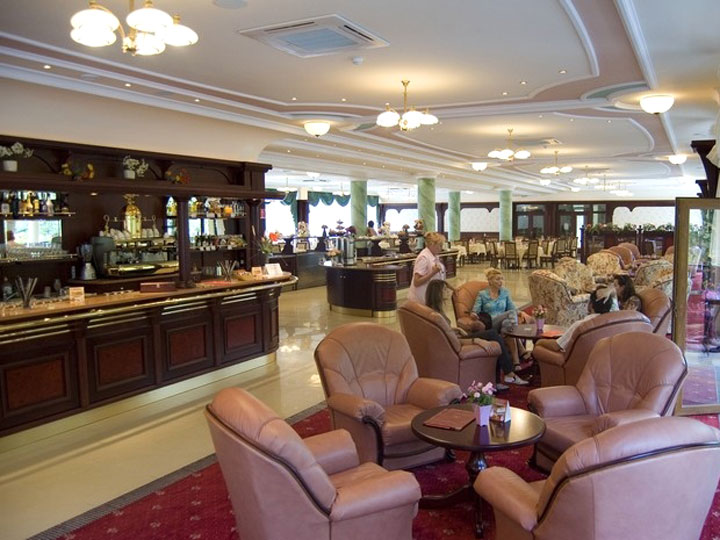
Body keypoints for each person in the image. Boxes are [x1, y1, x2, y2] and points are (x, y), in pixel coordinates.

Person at [425, 280, 527, 388]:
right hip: (458, 342)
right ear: (438, 293)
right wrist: (476, 340)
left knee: (494, 337)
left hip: (456, 337)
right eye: (445, 290)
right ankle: (509, 374)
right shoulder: (437, 316)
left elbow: (445, 332)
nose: (448, 292)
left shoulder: (434, 311)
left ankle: (498, 380)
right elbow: (450, 340)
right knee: (493, 335)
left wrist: (456, 329)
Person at [471, 267, 532, 380]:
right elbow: (475, 310)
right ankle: (521, 350)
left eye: (501, 279)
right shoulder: (482, 294)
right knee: (510, 314)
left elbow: (512, 307)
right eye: (497, 279)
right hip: (492, 323)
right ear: (490, 281)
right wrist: (474, 314)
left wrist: (521, 313)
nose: (500, 282)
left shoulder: (505, 292)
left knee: (508, 324)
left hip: (505, 322)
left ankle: (516, 362)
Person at [540, 286, 615, 353]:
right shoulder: (614, 323)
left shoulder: (580, 325)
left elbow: (557, 346)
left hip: (573, 362)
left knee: (538, 347)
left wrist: (540, 342)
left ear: (591, 304)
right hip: (601, 361)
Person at [407, 231, 446, 304]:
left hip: (431, 297)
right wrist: (433, 273)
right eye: (439, 245)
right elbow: (416, 282)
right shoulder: (423, 257)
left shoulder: (435, 256)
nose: (441, 248)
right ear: (432, 245)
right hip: (421, 299)